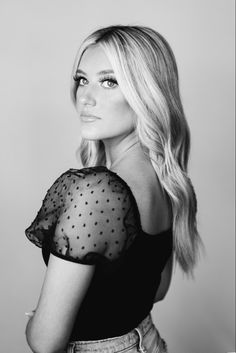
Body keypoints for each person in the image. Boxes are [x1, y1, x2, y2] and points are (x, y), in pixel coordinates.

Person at [25, 25, 203, 353]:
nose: (85, 97)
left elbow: (44, 341)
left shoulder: (94, 191)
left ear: (147, 92)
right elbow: (156, 289)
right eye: (82, 79)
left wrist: (34, 321)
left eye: (109, 81)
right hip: (147, 342)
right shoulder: (168, 181)